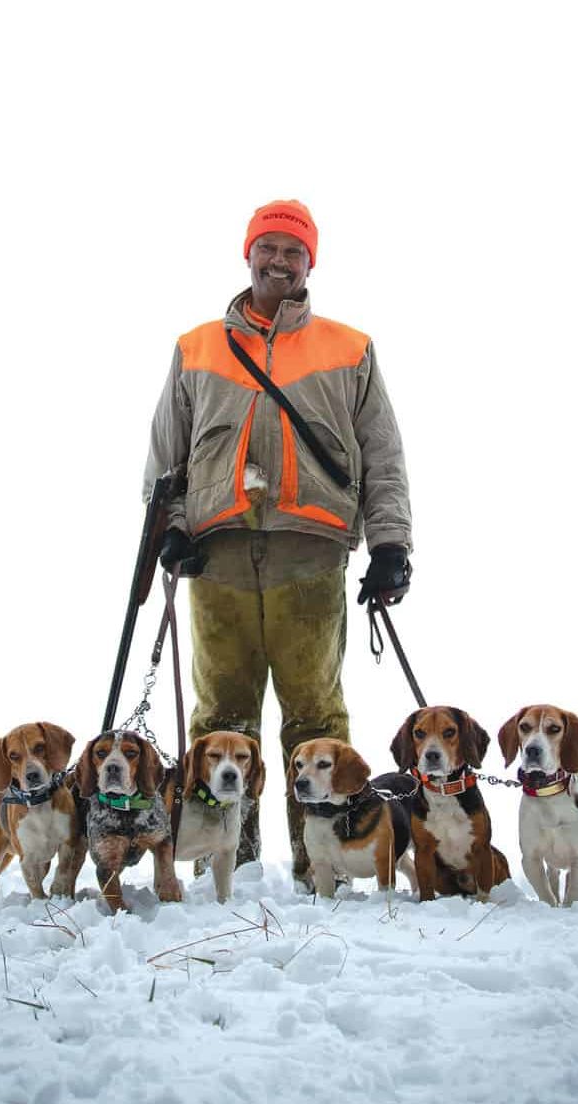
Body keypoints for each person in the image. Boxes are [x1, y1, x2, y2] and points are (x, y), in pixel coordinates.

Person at [143, 199, 412, 887]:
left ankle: (324, 865)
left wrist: (390, 544)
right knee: (220, 720)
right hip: (220, 556)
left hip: (309, 556)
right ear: (248, 253)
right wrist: (171, 531)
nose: (280, 261)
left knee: (315, 719)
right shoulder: (197, 348)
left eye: (294, 251)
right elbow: (164, 459)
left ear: (310, 262)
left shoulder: (349, 348)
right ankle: (226, 865)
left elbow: (382, 455)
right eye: (269, 247)